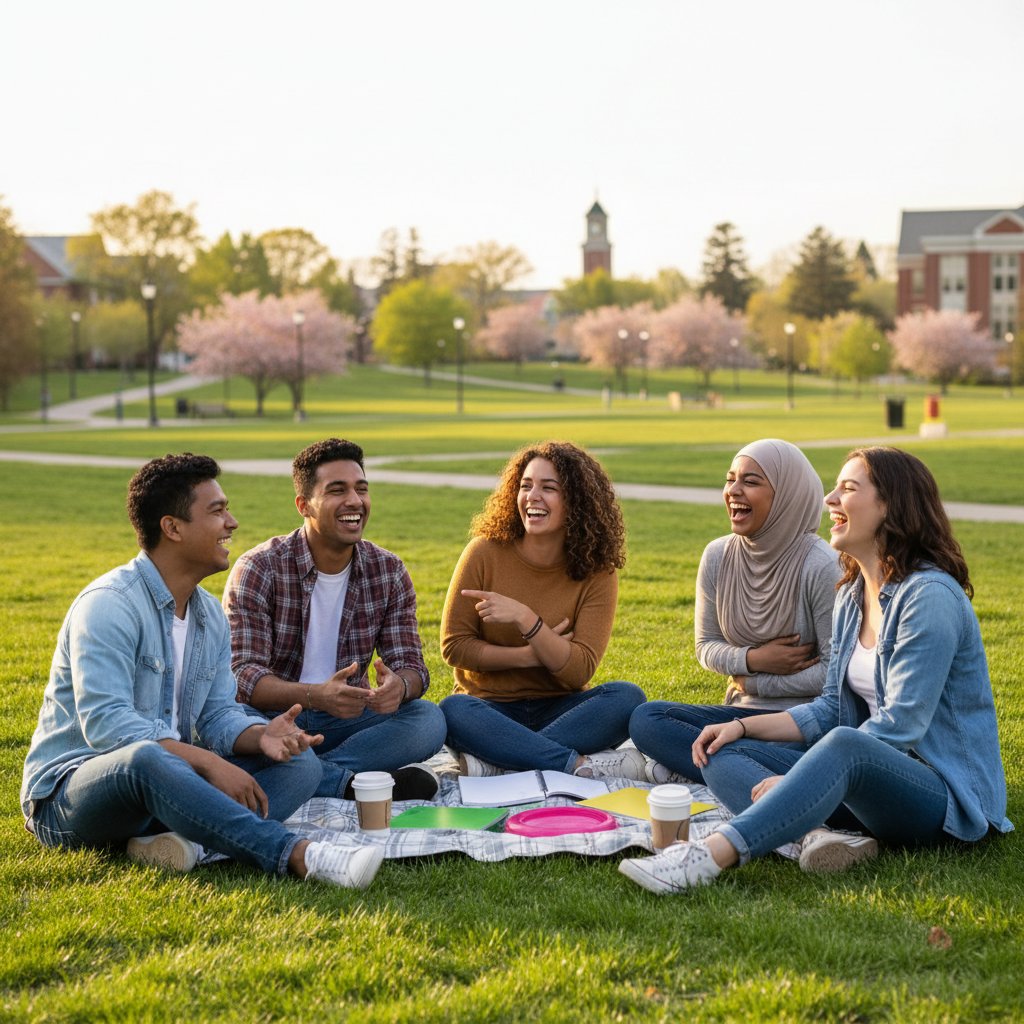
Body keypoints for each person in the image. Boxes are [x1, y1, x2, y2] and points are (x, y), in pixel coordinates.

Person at [620, 447, 1012, 893]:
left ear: (891, 505)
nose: (829, 500)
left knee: (844, 745)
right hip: (868, 787)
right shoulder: (851, 595)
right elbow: (829, 708)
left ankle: (708, 857)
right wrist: (743, 728)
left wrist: (794, 779)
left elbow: (901, 724)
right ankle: (813, 831)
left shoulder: (928, 596)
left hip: (942, 798)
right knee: (717, 751)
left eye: (847, 488)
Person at [20, 454, 382, 889]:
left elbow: (215, 713)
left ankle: (188, 841)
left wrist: (260, 736)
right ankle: (296, 854)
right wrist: (208, 762)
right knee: (145, 757)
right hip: (73, 795)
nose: (232, 523)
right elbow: (107, 724)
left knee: (300, 766)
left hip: (169, 782)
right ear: (172, 528)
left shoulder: (209, 614)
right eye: (217, 511)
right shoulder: (109, 604)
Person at [223, 438, 446, 802]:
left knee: (428, 720)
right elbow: (241, 676)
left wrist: (398, 688)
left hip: (347, 717)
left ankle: (306, 770)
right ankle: (344, 783)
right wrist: (315, 696)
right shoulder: (260, 567)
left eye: (361, 489)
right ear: (303, 505)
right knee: (228, 726)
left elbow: (413, 667)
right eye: (337, 490)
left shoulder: (387, 570)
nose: (355, 501)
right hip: (271, 716)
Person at [630, 438, 840, 783]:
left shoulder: (820, 566)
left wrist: (752, 681)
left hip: (801, 725)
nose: (733, 491)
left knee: (800, 755)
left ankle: (707, 764)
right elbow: (706, 647)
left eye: (751, 481)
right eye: (731, 479)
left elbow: (834, 676)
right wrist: (754, 660)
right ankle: (731, 765)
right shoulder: (717, 555)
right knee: (646, 719)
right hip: (738, 713)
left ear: (787, 494)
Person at [439, 441, 647, 779]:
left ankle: (500, 760)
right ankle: (571, 764)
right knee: (452, 710)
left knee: (627, 698)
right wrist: (531, 655)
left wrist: (528, 620)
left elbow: (579, 671)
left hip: (561, 710)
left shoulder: (598, 571)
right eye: (525, 486)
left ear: (577, 502)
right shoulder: (484, 552)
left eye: (548, 488)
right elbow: (455, 647)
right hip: (489, 708)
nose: (532, 496)